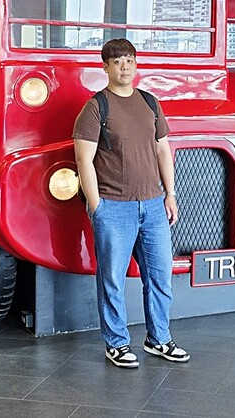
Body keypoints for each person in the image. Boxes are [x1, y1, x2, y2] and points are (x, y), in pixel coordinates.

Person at [73, 37, 190, 369]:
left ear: (136, 65)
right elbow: (84, 159)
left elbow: (163, 150)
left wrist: (170, 194)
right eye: (117, 61)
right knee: (112, 277)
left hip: (153, 205)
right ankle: (117, 343)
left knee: (160, 275)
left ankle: (158, 339)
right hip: (113, 207)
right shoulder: (97, 107)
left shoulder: (150, 103)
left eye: (129, 61)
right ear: (106, 67)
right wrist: (96, 205)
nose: (124, 67)